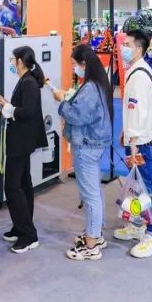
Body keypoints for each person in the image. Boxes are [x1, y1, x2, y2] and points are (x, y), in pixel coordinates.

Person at [55, 44, 113, 261]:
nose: (74, 68)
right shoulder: (99, 84)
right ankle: (95, 235)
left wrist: (62, 101)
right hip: (95, 143)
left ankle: (91, 245)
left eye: (74, 64)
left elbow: (78, 116)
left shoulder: (89, 88)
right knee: (94, 191)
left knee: (90, 196)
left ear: (84, 64)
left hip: (87, 145)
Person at [115, 30, 152, 258]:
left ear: (138, 49)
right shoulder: (136, 70)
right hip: (135, 138)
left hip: (140, 142)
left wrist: (132, 141)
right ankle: (138, 224)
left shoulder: (139, 75)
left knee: (149, 187)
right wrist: (126, 132)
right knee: (136, 186)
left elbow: (137, 111)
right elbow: (134, 108)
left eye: (127, 44)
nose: (122, 47)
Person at [0, 47, 48, 254]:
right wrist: (8, 105)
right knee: (24, 184)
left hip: (21, 141)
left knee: (12, 187)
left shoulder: (29, 82)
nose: (11, 63)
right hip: (21, 139)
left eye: (12, 59)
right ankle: (20, 226)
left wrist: (9, 108)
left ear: (20, 61)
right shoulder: (26, 80)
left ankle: (28, 235)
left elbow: (28, 111)